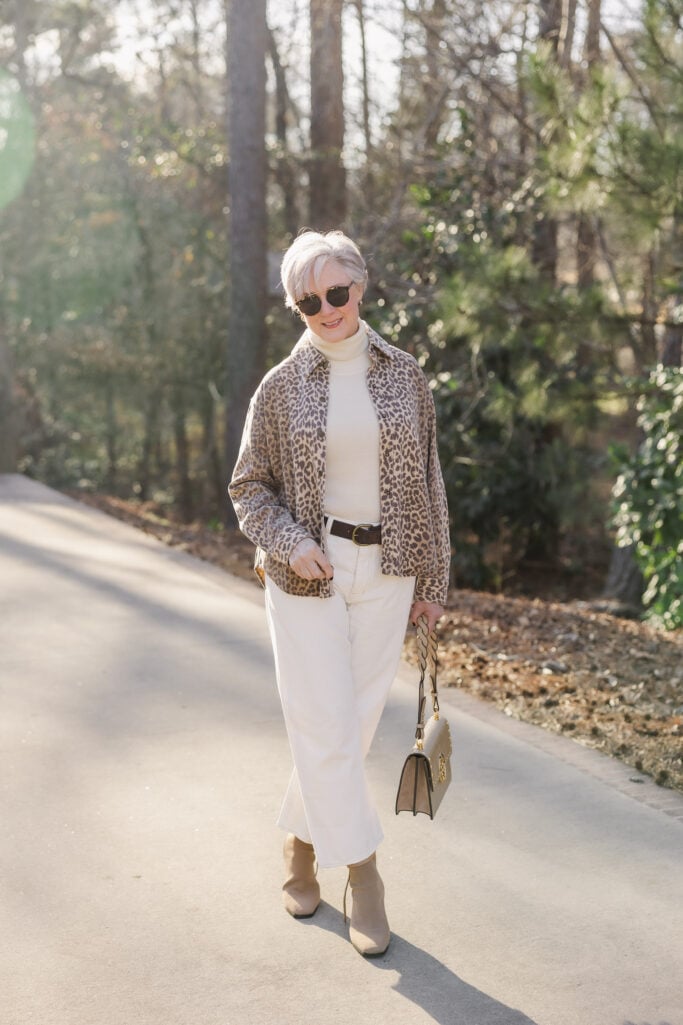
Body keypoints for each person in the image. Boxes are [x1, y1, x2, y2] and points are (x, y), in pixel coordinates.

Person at [229, 229, 450, 957]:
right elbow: (247, 487)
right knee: (323, 722)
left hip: (388, 572)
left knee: (348, 727)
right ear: (294, 305)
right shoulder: (279, 387)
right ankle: (363, 871)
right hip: (304, 575)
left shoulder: (405, 375)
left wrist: (432, 581)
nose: (324, 309)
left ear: (361, 285)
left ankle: (297, 841)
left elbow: (429, 483)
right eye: (306, 300)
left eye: (335, 292)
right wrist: (291, 541)